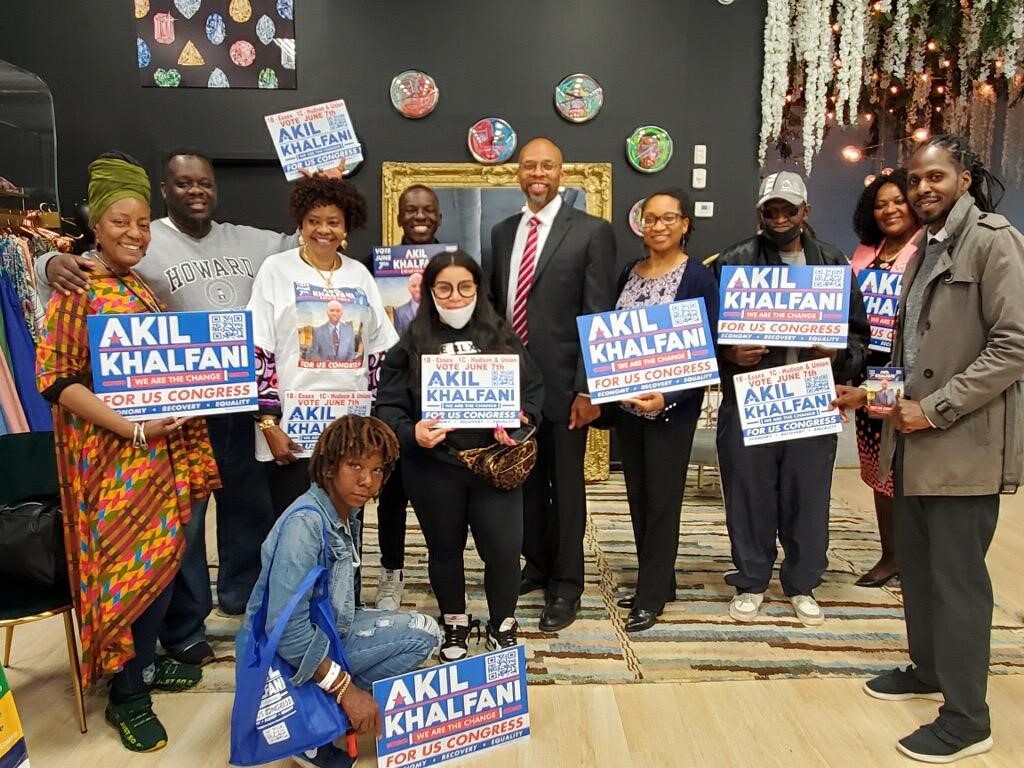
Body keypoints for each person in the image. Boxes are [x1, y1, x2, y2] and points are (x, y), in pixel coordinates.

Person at [34, 149, 304, 664]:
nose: (195, 191)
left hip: (225, 404)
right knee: (178, 526)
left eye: (204, 182)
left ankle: (234, 598)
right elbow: (58, 353)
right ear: (165, 190)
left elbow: (302, 243)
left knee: (239, 506)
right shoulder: (120, 255)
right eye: (183, 183)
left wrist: (318, 185)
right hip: (146, 425)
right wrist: (48, 260)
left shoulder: (235, 243)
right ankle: (177, 633)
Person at [833, 135, 1024, 764]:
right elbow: (914, 354)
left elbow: (1015, 344)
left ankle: (968, 720)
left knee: (957, 580)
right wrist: (871, 395)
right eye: (915, 179)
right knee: (916, 565)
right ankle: (928, 669)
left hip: (961, 444)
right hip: (910, 443)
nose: (922, 189)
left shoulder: (994, 241)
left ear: (964, 179)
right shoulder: (927, 248)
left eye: (935, 176)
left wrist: (936, 408)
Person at [35, 153, 220, 752]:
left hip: (158, 455)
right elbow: (56, 381)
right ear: (96, 223)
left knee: (163, 564)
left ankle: (139, 662)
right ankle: (128, 694)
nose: (135, 234)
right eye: (121, 222)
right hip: (113, 461)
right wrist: (134, 429)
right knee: (129, 571)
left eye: (142, 223)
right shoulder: (76, 287)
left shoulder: (135, 283)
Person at [239, 415, 441, 768]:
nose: (367, 481)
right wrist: (348, 690)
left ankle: (322, 709)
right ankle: (306, 727)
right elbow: (285, 632)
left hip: (328, 630)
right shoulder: (305, 525)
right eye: (355, 466)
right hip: (284, 655)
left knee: (423, 632)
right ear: (330, 466)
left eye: (377, 470)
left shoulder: (344, 510)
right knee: (418, 634)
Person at [714, 171, 869, 627]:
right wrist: (730, 354)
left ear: (806, 212)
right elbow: (700, 337)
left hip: (810, 396)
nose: (780, 218)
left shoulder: (833, 262)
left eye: (788, 210)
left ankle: (802, 583)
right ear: (759, 214)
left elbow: (860, 337)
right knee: (749, 494)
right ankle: (751, 581)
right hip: (750, 396)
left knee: (808, 496)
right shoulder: (734, 261)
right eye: (771, 211)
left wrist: (838, 354)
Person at [376, 250, 544, 660]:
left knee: (503, 550)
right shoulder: (411, 342)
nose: (455, 297)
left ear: (477, 289)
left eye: (464, 287)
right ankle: (454, 622)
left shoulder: (502, 336)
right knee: (444, 549)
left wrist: (520, 422)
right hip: (434, 468)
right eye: (445, 288)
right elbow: (388, 407)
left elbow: (533, 392)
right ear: (430, 292)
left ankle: (503, 622)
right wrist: (411, 433)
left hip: (494, 466)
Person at [486, 137, 617, 632]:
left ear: (562, 173)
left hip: (566, 388)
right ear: (518, 173)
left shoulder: (592, 232)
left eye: (547, 166)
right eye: (529, 166)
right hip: (512, 387)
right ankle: (538, 564)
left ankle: (566, 584)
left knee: (565, 489)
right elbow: (495, 310)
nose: (537, 173)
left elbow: (598, 314)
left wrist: (589, 389)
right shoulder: (502, 232)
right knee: (523, 482)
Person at [248, 176, 398, 517]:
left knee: (346, 528)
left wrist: (377, 425)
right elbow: (259, 350)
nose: (323, 230)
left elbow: (378, 354)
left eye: (333, 222)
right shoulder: (276, 269)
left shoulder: (359, 275)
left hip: (350, 432)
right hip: (291, 431)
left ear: (347, 227)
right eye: (314, 221)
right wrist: (268, 424)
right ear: (301, 223)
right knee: (296, 527)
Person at [608, 189, 720, 632]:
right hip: (629, 410)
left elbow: (707, 350)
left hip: (671, 411)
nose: (658, 226)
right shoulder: (628, 272)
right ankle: (660, 580)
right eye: (650, 218)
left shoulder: (698, 278)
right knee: (639, 498)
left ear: (685, 224)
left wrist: (668, 397)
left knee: (662, 502)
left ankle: (650, 596)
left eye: (668, 218)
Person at [849, 170, 921, 588]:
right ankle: (891, 554)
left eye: (898, 201)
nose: (889, 210)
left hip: (909, 372)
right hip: (870, 371)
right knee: (880, 465)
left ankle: (912, 554)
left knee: (906, 464)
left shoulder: (927, 250)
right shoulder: (864, 252)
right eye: (880, 204)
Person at [374, 184, 442, 612]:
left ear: (439, 217)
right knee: (392, 494)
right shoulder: (378, 270)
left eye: (428, 210)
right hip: (396, 394)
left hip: (443, 394)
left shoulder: (453, 265)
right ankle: (390, 571)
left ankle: (443, 567)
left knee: (441, 495)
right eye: (411, 210)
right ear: (399, 216)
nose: (420, 216)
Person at [392, 273, 421, 338]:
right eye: (414, 286)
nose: (418, 289)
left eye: (421, 286)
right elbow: (399, 339)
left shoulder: (434, 310)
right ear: (409, 288)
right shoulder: (399, 312)